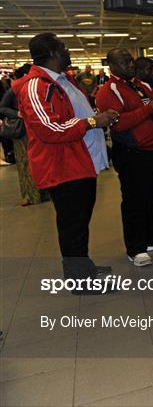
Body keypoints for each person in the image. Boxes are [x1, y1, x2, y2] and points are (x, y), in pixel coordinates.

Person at [12, 33, 118, 293]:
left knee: (79, 222)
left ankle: (83, 267)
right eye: (63, 46)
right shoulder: (37, 85)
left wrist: (95, 117)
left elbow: (74, 114)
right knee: (72, 225)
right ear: (52, 52)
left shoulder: (62, 81)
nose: (67, 49)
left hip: (79, 161)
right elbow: (49, 128)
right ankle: (80, 280)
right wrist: (93, 122)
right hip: (62, 166)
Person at [95, 48, 153, 267]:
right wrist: (149, 109)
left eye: (131, 61)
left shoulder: (139, 85)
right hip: (132, 153)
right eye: (124, 62)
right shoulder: (108, 90)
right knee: (135, 201)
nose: (130, 65)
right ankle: (136, 248)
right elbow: (118, 123)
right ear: (112, 66)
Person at [0, 63, 49, 205]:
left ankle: (43, 193)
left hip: (38, 129)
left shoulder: (40, 85)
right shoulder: (15, 89)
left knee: (41, 162)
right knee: (25, 164)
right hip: (22, 132)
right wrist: (18, 113)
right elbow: (2, 107)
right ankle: (30, 195)